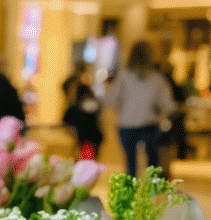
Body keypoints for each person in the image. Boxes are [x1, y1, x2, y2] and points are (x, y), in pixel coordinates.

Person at [106, 41, 174, 177]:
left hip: (126, 124)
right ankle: (152, 192)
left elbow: (111, 100)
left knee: (130, 163)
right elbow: (168, 105)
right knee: (152, 162)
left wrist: (123, 111)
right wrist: (159, 117)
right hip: (149, 124)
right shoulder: (156, 79)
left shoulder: (124, 77)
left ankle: (131, 192)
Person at [62, 65, 104, 160]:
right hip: (86, 127)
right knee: (87, 150)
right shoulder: (83, 87)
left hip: (80, 125)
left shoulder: (71, 84)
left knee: (82, 147)